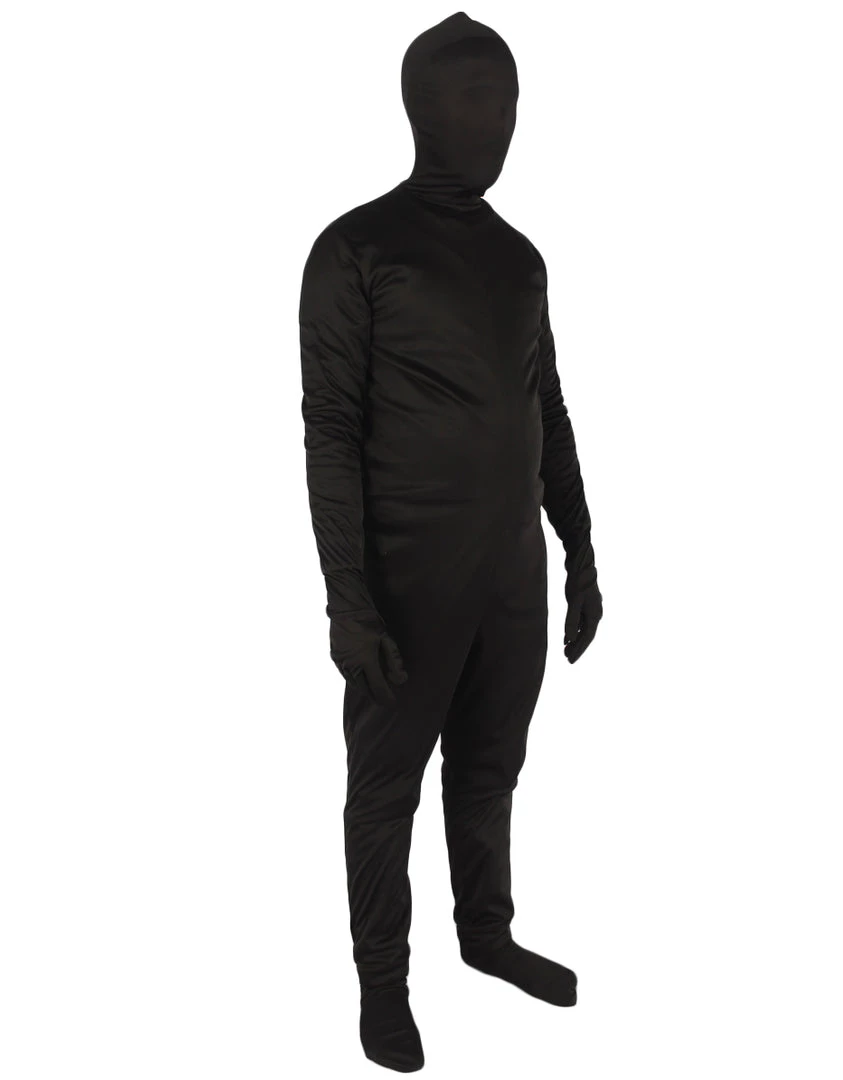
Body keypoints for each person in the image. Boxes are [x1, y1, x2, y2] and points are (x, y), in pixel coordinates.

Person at [298, 11, 602, 1072]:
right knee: (386, 787)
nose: (499, 118)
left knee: (489, 766)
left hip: (512, 570)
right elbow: (330, 431)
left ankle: (486, 935)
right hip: (408, 573)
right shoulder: (355, 250)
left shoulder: (521, 260)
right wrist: (348, 598)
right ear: (421, 107)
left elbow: (545, 408)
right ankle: (383, 985)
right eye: (477, 95)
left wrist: (579, 549)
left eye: (509, 96)